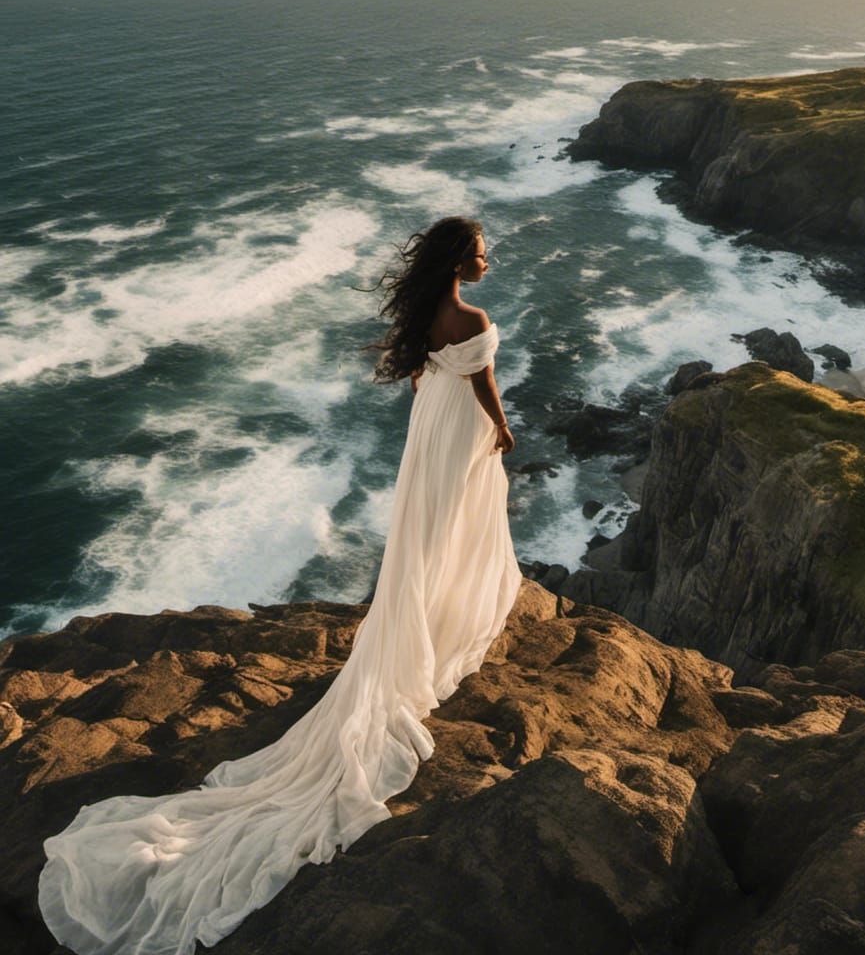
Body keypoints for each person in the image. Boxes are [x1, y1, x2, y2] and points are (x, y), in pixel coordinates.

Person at [37, 215, 523, 955]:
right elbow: (485, 384)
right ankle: (442, 625)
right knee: (452, 531)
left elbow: (429, 372)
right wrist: (504, 430)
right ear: (461, 258)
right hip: (458, 429)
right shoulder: (474, 317)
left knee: (424, 538)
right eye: (482, 252)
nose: (488, 262)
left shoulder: (426, 311)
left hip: (429, 429)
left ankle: (419, 626)